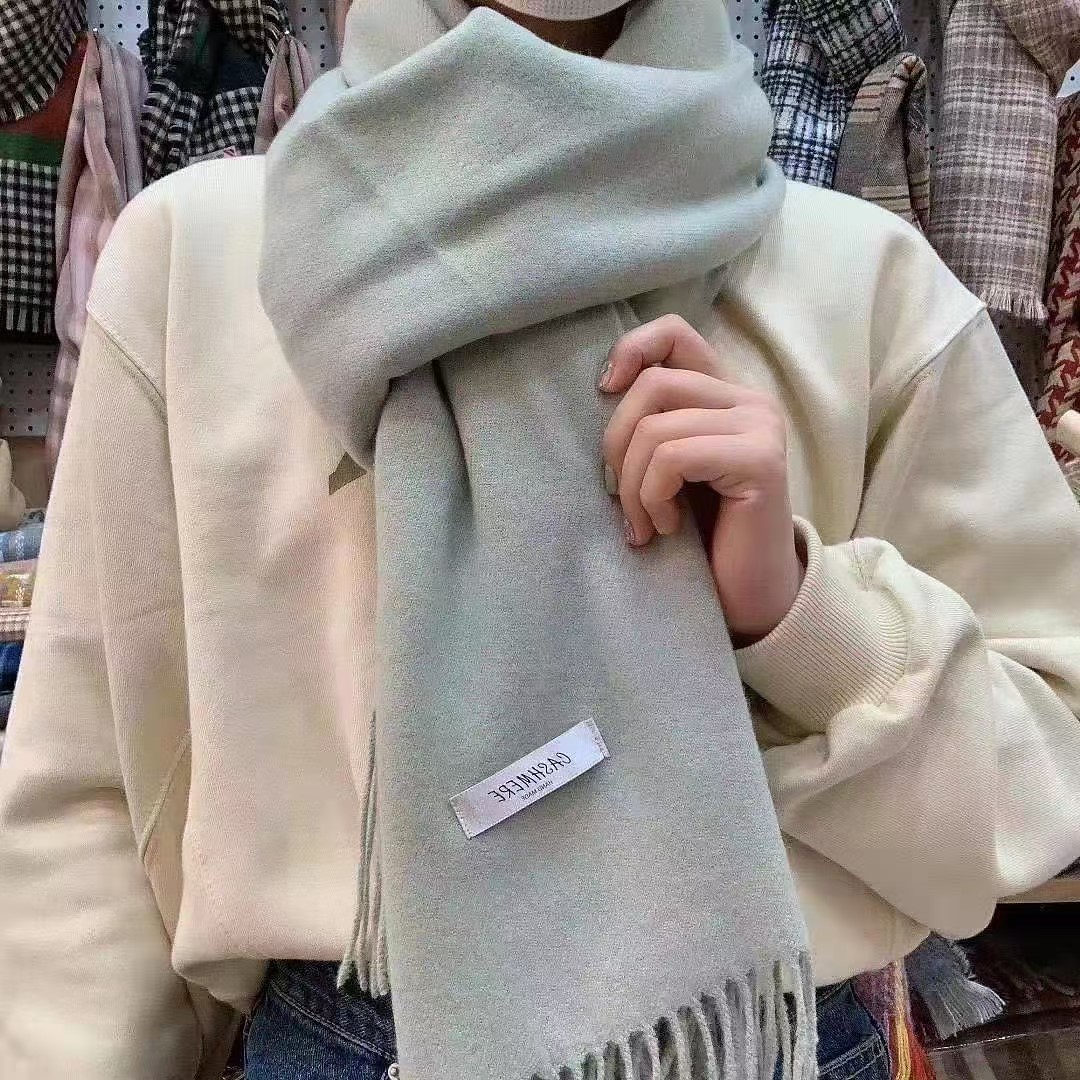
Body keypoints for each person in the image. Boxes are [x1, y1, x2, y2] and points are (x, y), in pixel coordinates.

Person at [1, 0, 1079, 1078]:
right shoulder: (204, 260)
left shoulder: (865, 281)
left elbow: (1048, 768)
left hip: (762, 1030)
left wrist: (801, 619)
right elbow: (92, 811)